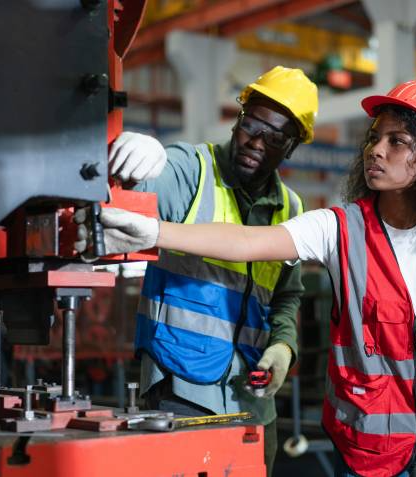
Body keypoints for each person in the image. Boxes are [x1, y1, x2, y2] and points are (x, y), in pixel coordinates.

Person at [77, 77, 416, 477]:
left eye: (396, 141)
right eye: (373, 137)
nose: (375, 150)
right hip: (371, 441)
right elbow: (245, 241)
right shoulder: (338, 227)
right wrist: (156, 230)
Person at [80, 66, 318, 476]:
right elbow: (126, 201)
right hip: (179, 392)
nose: (257, 141)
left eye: (276, 136)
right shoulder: (192, 171)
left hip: (254, 403)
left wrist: (283, 347)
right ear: (239, 118)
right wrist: (131, 164)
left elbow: (285, 296)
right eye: (252, 124)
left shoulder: (291, 209)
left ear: (291, 148)